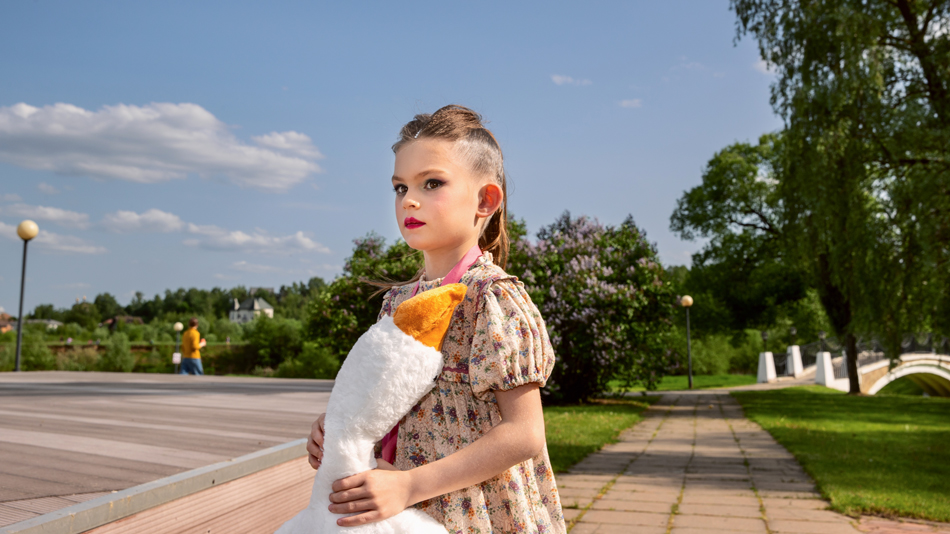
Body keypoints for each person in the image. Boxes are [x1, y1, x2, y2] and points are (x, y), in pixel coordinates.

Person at [306, 105, 565, 533]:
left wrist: (410, 485)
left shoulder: (492, 299)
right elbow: (381, 401)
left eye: (432, 183)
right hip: (398, 512)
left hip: (474, 511)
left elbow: (524, 433)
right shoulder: (396, 304)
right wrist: (335, 428)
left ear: (485, 200)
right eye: (400, 187)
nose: (409, 199)